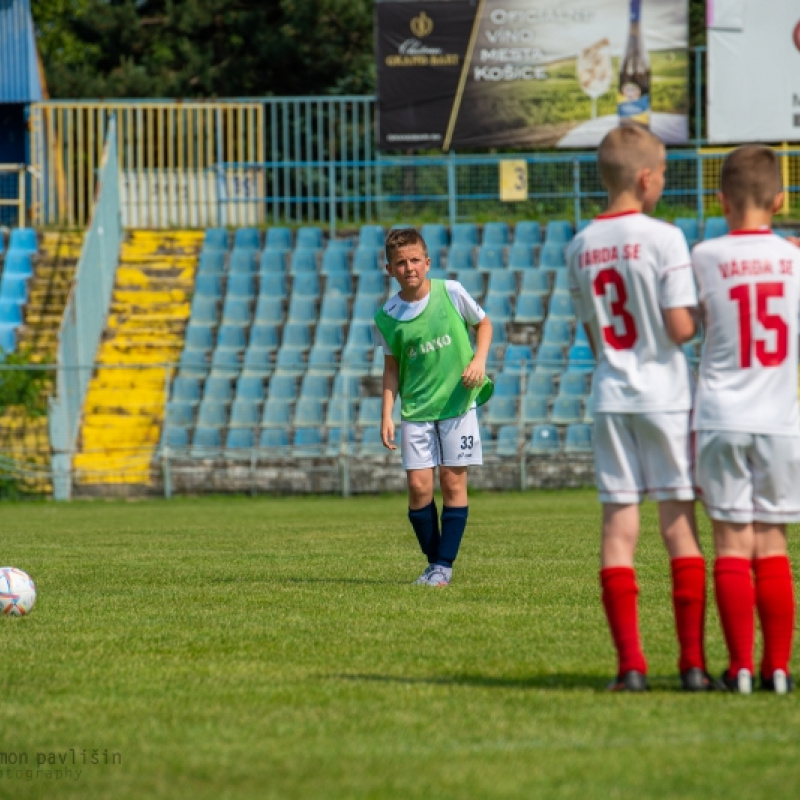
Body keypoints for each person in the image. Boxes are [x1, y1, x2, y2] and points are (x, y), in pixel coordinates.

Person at [566, 123, 711, 692]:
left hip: (612, 395)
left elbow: (595, 337)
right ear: (647, 178)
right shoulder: (664, 238)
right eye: (665, 176)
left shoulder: (579, 244)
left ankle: (630, 667)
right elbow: (679, 328)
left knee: (617, 529)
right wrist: (701, 313)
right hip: (666, 398)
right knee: (678, 526)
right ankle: (693, 666)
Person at [691, 144, 800, 694]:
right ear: (781, 199)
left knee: (732, 544)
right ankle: (778, 669)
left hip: (721, 416)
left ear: (721, 199)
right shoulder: (796, 258)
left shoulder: (703, 256)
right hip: (781, 420)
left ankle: (738, 669)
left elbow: (685, 326)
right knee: (773, 544)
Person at [374, 227, 493, 587]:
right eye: (400, 262)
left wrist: (479, 361)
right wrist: (386, 413)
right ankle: (435, 563)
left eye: (414, 260)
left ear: (427, 262)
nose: (409, 267)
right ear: (389, 269)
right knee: (419, 489)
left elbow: (483, 324)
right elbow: (392, 368)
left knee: (453, 483)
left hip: (458, 404)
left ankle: (443, 567)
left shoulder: (451, 291)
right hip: (417, 410)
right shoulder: (387, 315)